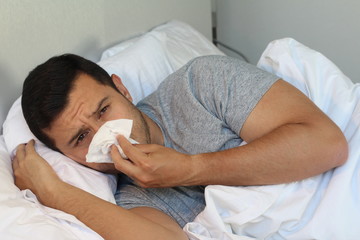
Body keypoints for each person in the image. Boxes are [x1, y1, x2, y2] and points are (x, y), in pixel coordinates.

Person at [13, 54, 348, 240]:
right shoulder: (130, 199)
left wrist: (191, 169)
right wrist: (53, 192)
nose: (108, 135)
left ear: (122, 89)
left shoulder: (199, 85)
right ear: (68, 156)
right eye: (81, 139)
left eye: (104, 110)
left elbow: (327, 144)